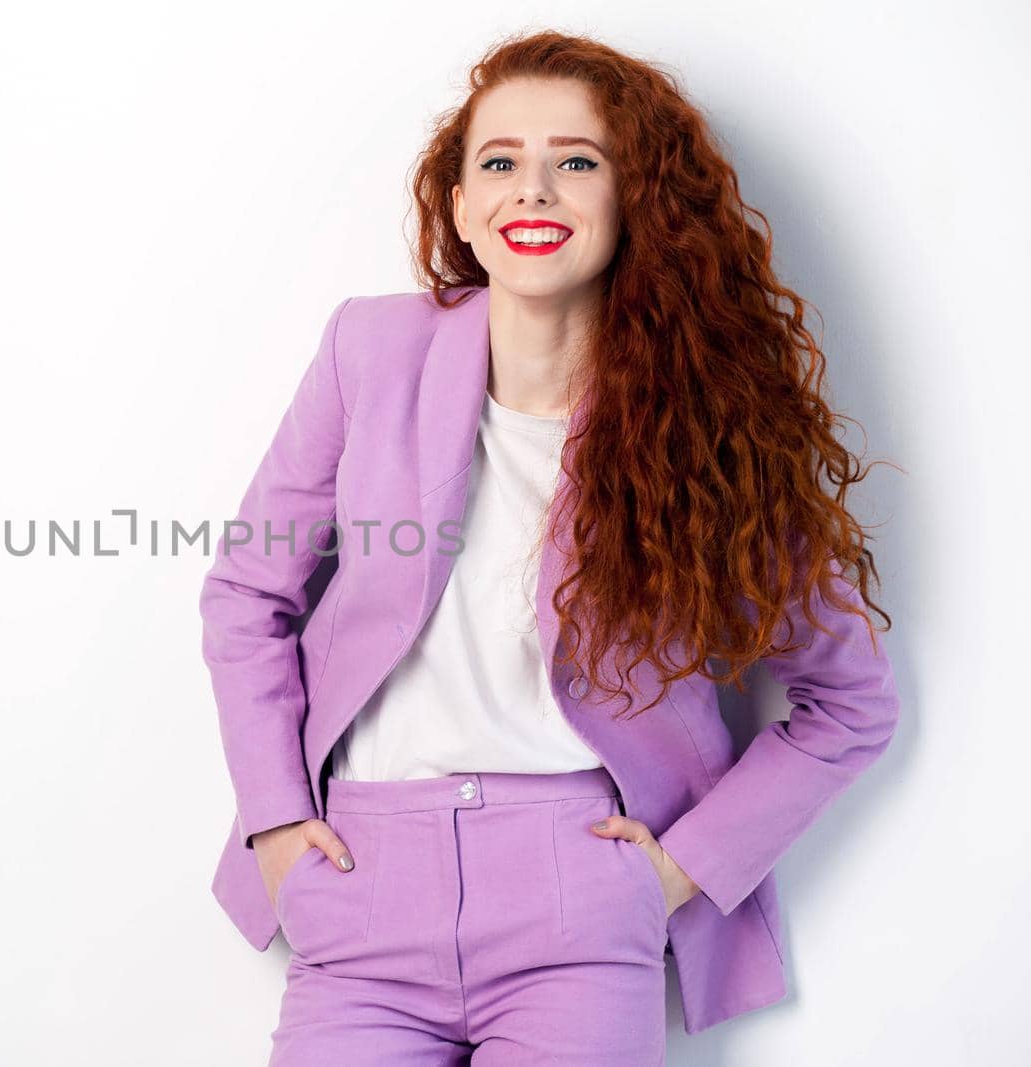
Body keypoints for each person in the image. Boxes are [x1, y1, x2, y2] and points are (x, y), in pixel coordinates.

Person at [198, 29, 900, 1065]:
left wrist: (675, 870)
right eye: (499, 163)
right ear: (461, 207)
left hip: (579, 899)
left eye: (576, 161)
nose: (534, 190)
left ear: (634, 201)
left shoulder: (706, 425)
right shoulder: (369, 351)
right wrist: (273, 824)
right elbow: (248, 590)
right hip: (359, 883)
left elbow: (850, 702)